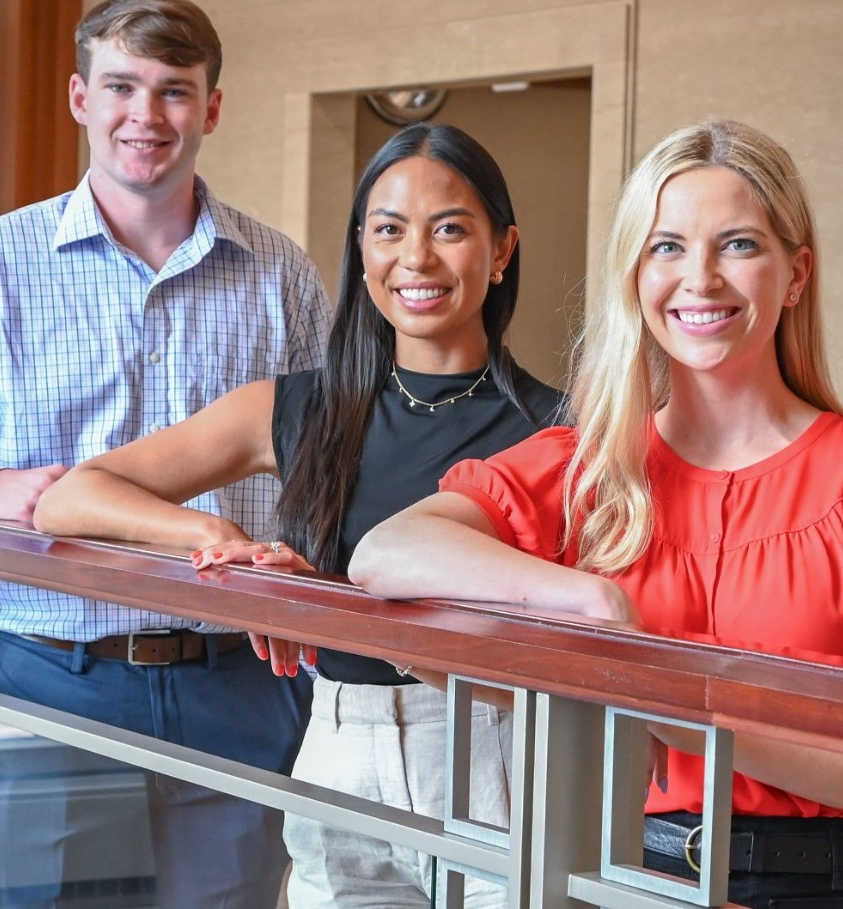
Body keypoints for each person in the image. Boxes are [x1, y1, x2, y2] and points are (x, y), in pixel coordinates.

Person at [348, 119, 843, 908]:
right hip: (624, 875)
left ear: (796, 274)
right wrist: (589, 599)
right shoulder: (587, 470)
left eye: (739, 245)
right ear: (635, 275)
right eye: (667, 247)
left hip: (819, 884)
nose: (701, 279)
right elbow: (386, 552)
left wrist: (667, 706)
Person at [0, 0, 331, 909]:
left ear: (213, 109)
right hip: (52, 676)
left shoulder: (282, 275)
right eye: (121, 87)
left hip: (238, 680)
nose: (145, 117)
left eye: (175, 91)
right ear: (79, 98)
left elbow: (331, 455)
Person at [33, 122, 565, 908]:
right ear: (360, 248)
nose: (414, 258)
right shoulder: (300, 408)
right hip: (337, 742)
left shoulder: (560, 429)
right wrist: (223, 541)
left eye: (449, 228)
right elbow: (69, 496)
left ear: (502, 249)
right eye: (388, 230)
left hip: (491, 747)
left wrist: (328, 598)